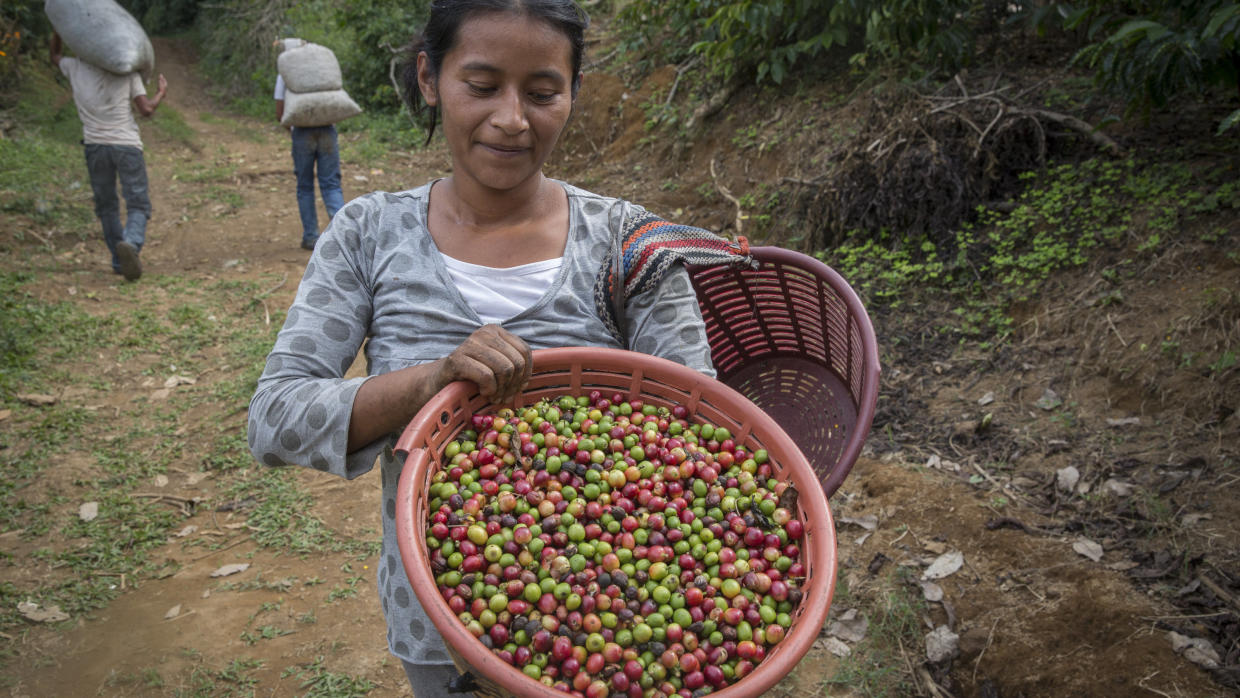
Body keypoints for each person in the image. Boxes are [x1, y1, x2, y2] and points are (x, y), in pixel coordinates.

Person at [248, 1, 746, 694]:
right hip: (439, 623)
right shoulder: (369, 234)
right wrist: (431, 385)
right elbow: (274, 417)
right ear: (429, 77)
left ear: (573, 93)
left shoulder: (630, 244)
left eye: (543, 93)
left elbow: (702, 428)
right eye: (482, 86)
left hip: (612, 632)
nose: (513, 118)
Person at [51, 32, 167, 282]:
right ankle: (132, 245)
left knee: (107, 206)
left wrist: (60, 30)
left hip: (95, 146)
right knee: (137, 203)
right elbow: (146, 109)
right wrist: (160, 93)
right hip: (126, 145)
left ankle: (118, 260)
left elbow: (55, 56)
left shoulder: (75, 67)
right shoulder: (127, 71)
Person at [274, 72, 344, 251]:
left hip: (302, 132)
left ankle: (311, 237)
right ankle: (344, 236)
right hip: (328, 130)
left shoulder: (285, 72)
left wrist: (292, 128)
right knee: (331, 185)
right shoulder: (321, 69)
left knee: (305, 186)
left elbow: (280, 112)